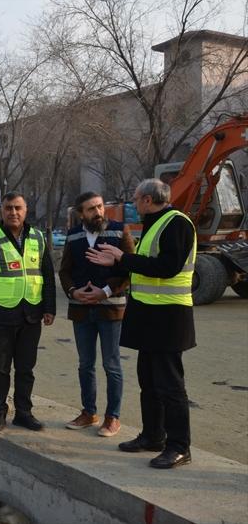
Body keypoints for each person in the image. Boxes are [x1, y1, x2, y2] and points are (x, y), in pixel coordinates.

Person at [87, 178, 196, 469]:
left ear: (148, 199)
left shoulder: (177, 223)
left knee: (170, 385)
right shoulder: (154, 223)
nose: (134, 204)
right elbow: (145, 264)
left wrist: (123, 257)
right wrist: (119, 262)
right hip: (149, 316)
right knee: (148, 381)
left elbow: (168, 267)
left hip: (169, 318)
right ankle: (153, 436)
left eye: (136, 199)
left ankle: (179, 446)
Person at [0, 192, 56, 432]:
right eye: (9, 208)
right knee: (0, 367)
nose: (13, 212)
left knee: (26, 368)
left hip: (31, 314)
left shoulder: (38, 238)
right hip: (0, 314)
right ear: (2, 211)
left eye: (18, 208)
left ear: (26, 210)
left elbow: (48, 276)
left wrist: (49, 308)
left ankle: (23, 413)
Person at [59, 192, 135, 437]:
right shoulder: (74, 235)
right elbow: (65, 271)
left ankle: (112, 417)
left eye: (100, 206)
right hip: (81, 310)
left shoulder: (119, 231)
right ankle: (88, 412)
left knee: (111, 364)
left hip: (111, 309)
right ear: (81, 213)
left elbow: (129, 269)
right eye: (91, 209)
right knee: (85, 364)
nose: (98, 212)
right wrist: (73, 291)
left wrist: (105, 291)